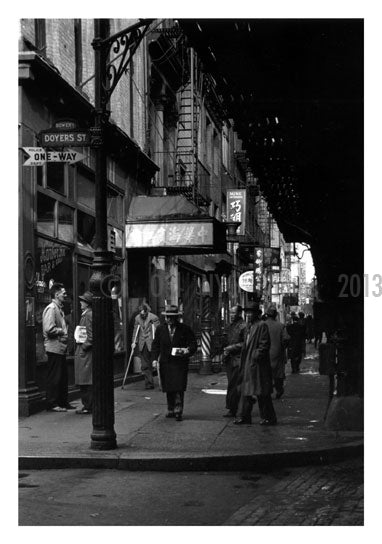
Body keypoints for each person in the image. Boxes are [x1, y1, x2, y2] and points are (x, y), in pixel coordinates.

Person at [151, 304, 197, 421]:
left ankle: (178, 410)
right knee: (169, 387)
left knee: (178, 387)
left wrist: (187, 350)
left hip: (179, 363)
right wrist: (155, 359)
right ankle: (170, 409)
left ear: (176, 317)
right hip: (166, 363)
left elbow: (193, 344)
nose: (168, 319)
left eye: (171, 317)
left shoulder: (185, 329)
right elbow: (155, 345)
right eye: (167, 317)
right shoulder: (160, 329)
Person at [234, 303, 277, 426]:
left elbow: (264, 345)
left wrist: (255, 356)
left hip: (257, 365)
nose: (248, 315)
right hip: (248, 362)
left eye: (250, 312)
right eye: (247, 312)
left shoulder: (261, 325)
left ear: (256, 314)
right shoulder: (249, 326)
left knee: (261, 392)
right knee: (246, 390)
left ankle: (268, 417)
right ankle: (244, 416)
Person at [42, 283, 75, 412]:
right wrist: (62, 331)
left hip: (60, 348)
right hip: (54, 348)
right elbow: (49, 329)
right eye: (64, 293)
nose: (65, 295)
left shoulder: (58, 308)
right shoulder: (51, 309)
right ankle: (52, 404)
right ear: (56, 295)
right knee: (55, 377)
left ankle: (62, 402)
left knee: (62, 377)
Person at [222, 305, 246, 418]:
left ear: (239, 313)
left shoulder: (243, 326)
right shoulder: (230, 326)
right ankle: (233, 407)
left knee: (234, 384)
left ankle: (234, 408)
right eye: (230, 313)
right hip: (229, 359)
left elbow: (245, 343)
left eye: (234, 313)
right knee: (232, 384)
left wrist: (230, 348)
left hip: (238, 359)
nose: (231, 315)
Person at [132, 303, 160, 389]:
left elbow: (158, 331)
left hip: (152, 343)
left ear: (147, 311)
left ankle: (161, 382)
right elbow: (135, 331)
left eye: (144, 313)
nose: (142, 315)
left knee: (155, 363)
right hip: (143, 343)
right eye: (141, 313)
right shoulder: (137, 318)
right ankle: (149, 384)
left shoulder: (154, 317)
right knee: (145, 365)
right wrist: (134, 342)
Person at [74, 291, 93, 414]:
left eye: (82, 301)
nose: (80, 302)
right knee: (86, 380)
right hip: (85, 353)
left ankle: (88, 406)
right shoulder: (87, 314)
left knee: (86, 381)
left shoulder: (88, 315)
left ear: (87, 303)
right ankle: (88, 405)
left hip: (85, 354)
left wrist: (84, 347)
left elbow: (91, 336)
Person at [265, 305, 290, 399]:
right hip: (278, 354)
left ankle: (267, 390)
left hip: (265, 355)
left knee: (266, 374)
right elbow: (286, 339)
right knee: (278, 375)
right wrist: (282, 347)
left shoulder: (262, 325)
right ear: (275, 315)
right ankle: (279, 390)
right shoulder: (280, 326)